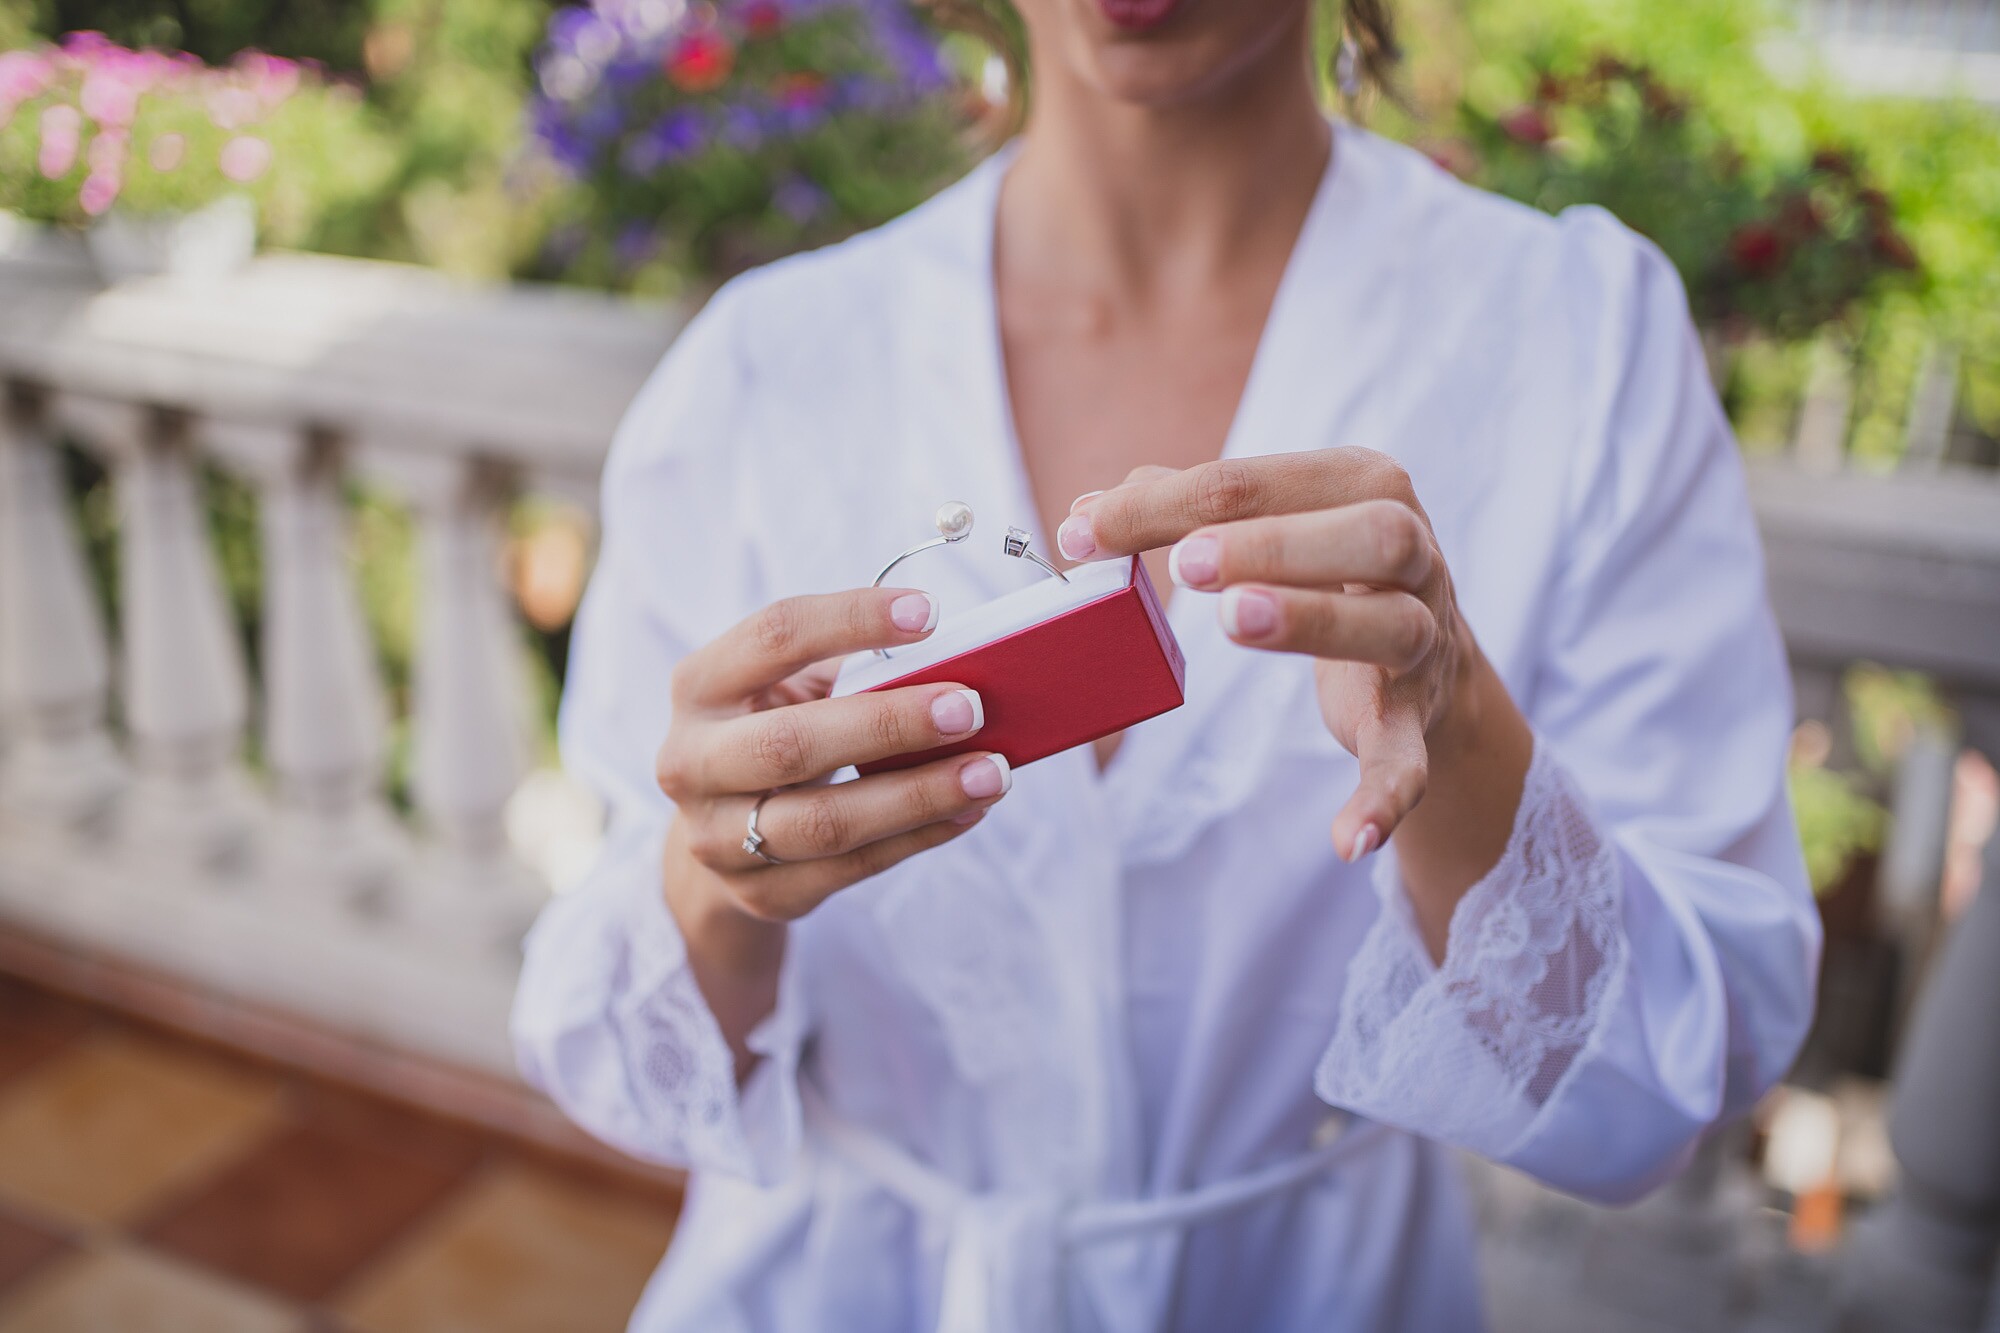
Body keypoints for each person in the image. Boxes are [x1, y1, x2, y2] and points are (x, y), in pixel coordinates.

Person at [511, 0, 1822, 1326]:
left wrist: (1460, 725)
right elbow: (614, 1056)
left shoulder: (1576, 345)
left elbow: (1680, 1067)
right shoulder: (764, 365)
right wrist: (720, 878)